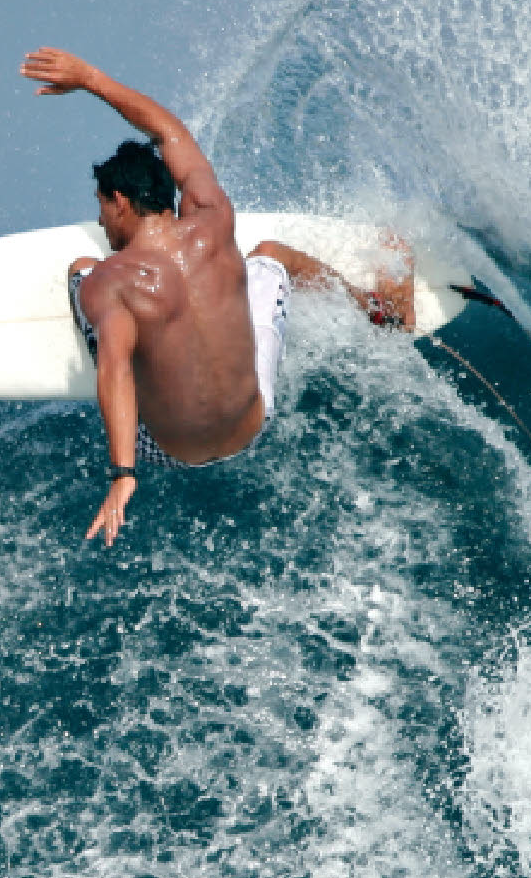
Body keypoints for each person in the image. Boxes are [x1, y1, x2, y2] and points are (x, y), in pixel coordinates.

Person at [21, 47, 414, 543]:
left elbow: (115, 372)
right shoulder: (214, 217)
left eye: (102, 207)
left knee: (81, 273)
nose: (100, 220)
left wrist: (123, 474)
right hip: (254, 419)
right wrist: (92, 78)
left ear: (120, 202)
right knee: (271, 254)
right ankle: (377, 308)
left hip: (167, 448)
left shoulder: (112, 280)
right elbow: (170, 134)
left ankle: (116, 328)